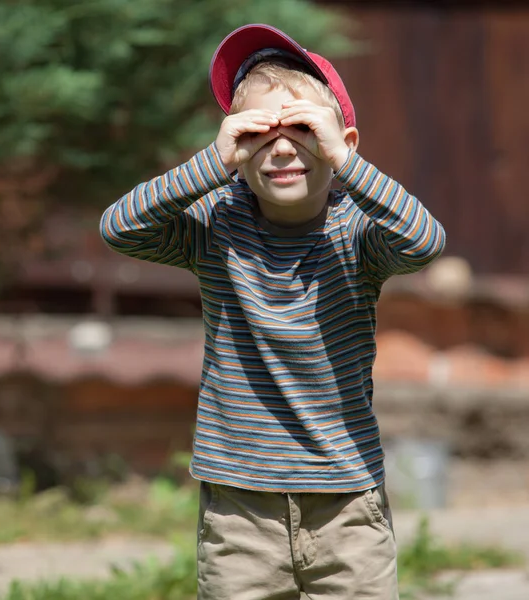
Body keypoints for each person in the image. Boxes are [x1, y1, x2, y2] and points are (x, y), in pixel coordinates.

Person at [100, 23, 446, 600]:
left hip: (347, 504)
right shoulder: (216, 226)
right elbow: (119, 228)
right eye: (258, 132)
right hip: (239, 508)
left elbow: (425, 241)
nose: (281, 147)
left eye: (304, 129)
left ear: (344, 143)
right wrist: (214, 162)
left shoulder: (358, 235)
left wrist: (344, 162)